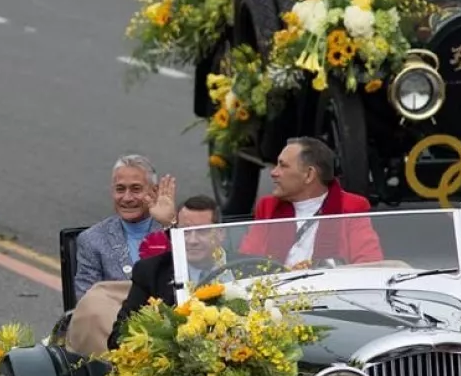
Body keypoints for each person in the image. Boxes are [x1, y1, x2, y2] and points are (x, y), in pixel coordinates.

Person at [239, 137, 384, 267]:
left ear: (309, 175)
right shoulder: (267, 207)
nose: (273, 172)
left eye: (283, 166)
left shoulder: (352, 207)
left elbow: (369, 264)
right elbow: (248, 263)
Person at [108, 195, 223, 347]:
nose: (192, 240)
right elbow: (118, 337)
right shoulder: (151, 271)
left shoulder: (248, 267)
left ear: (221, 234)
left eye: (201, 232)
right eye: (185, 232)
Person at [73, 154, 177, 299]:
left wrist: (169, 224)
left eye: (136, 189)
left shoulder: (171, 229)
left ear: (154, 191)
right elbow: (86, 300)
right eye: (120, 189)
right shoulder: (92, 240)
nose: (127, 198)